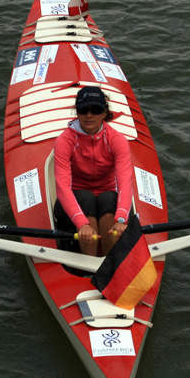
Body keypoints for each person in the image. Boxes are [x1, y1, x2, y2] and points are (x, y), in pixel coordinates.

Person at [54, 86, 133, 257]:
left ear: (104, 113)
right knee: (86, 198)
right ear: (77, 113)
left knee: (109, 198)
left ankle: (109, 260)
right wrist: (81, 223)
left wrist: (121, 219)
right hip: (77, 201)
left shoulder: (117, 140)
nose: (89, 115)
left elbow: (125, 182)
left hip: (107, 198)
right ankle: (90, 262)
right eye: (83, 110)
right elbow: (62, 187)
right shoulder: (64, 141)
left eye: (95, 110)